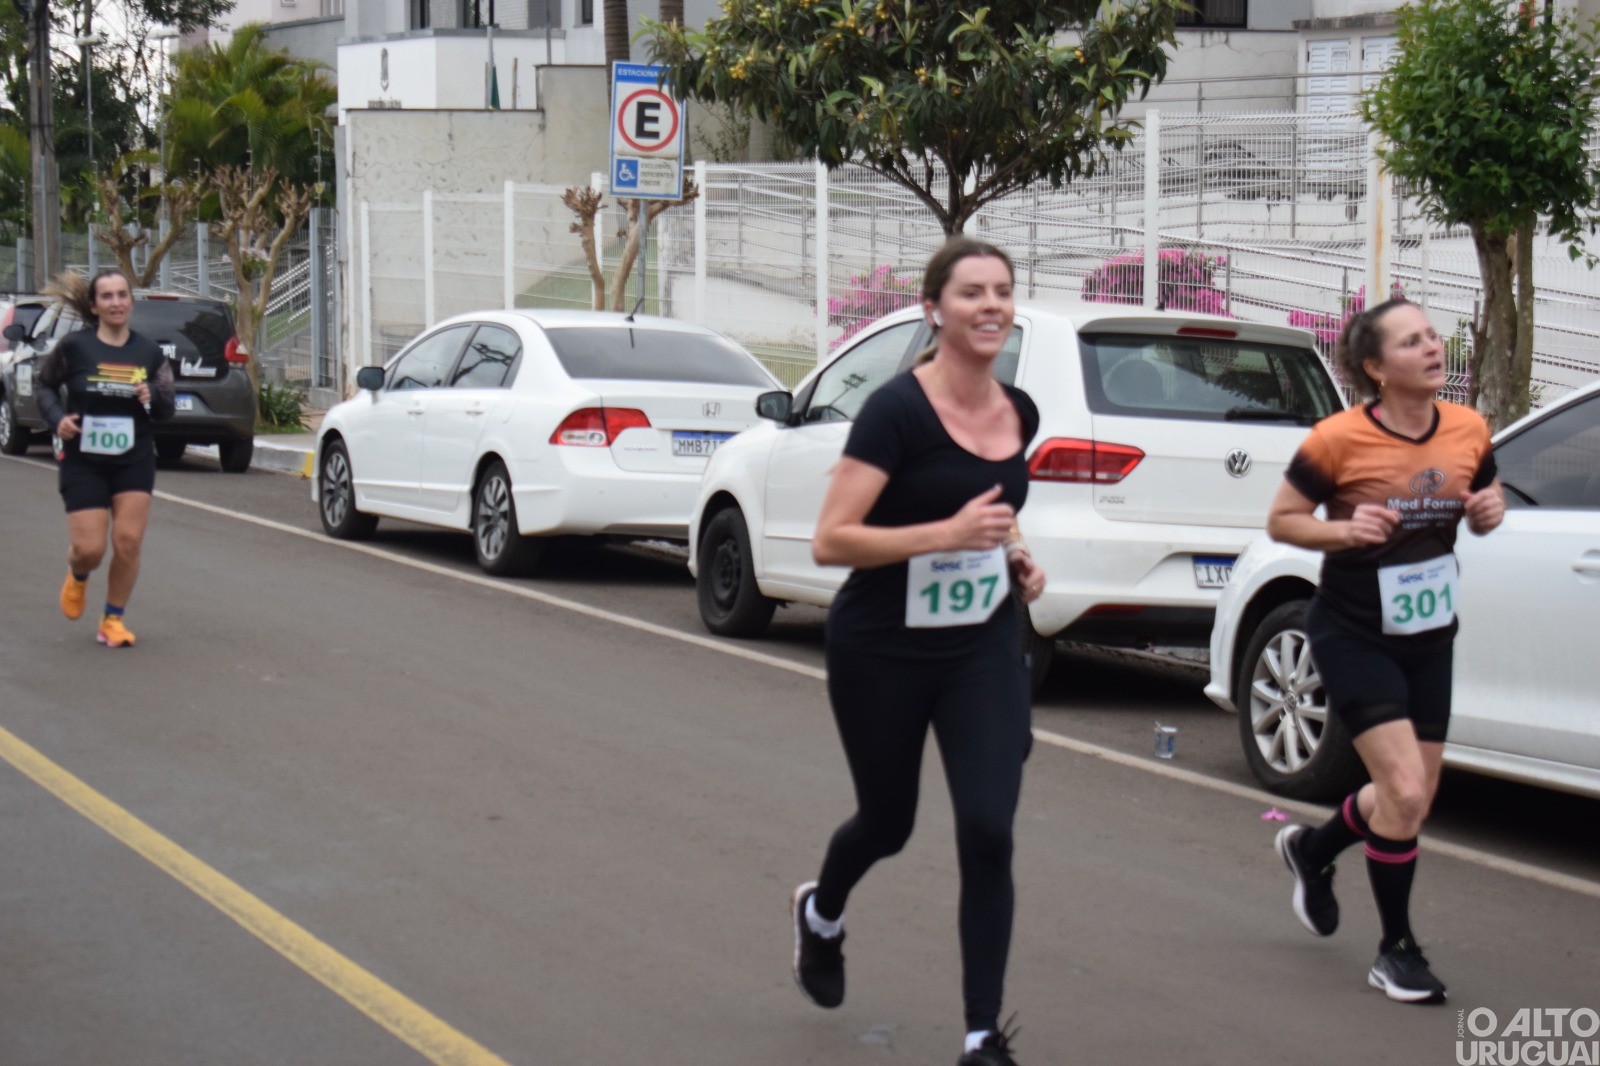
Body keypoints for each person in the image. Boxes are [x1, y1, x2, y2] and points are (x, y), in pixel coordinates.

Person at [789, 237, 1046, 1066]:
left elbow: (993, 513)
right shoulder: (896, 411)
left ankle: (981, 1035)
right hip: (882, 647)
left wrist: (1013, 556)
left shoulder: (1021, 411)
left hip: (983, 645)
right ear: (935, 309)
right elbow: (831, 541)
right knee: (889, 823)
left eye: (1002, 291)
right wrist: (950, 533)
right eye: (971, 292)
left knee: (988, 830)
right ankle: (822, 913)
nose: (991, 306)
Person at [1264, 298, 1504, 1003]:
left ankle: (1311, 850)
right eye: (1412, 342)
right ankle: (1395, 950)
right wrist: (1345, 531)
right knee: (1401, 792)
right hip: (1352, 630)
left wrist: (1489, 513)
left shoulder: (1467, 428)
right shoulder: (1336, 440)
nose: (1433, 348)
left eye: (1433, 336)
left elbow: (1480, 499)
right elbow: (1281, 521)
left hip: (1430, 636)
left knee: (1412, 798)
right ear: (1375, 367)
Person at [36, 269, 175, 647]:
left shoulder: (148, 352)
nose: (116, 303)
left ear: (130, 301)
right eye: (107, 297)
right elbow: (44, 386)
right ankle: (78, 574)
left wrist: (153, 398)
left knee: (128, 541)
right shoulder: (75, 348)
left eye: (121, 295)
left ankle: (113, 620)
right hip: (84, 458)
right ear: (95, 306)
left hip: (134, 456)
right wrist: (57, 420)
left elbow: (167, 410)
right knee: (90, 549)